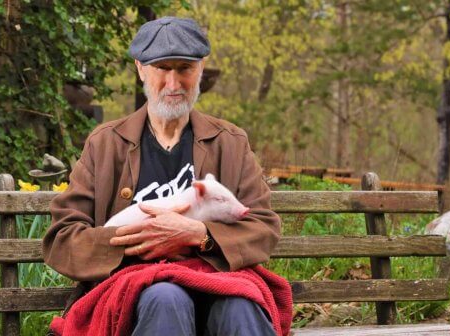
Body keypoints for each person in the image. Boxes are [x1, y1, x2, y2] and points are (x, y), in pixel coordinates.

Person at [43, 16, 282, 335]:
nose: (173, 83)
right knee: (166, 297)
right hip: (139, 293)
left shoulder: (230, 142)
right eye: (162, 69)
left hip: (217, 279)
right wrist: (140, 240)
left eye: (184, 68)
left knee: (240, 305)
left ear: (200, 68)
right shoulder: (106, 143)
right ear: (141, 68)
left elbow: (263, 227)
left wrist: (198, 234)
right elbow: (63, 240)